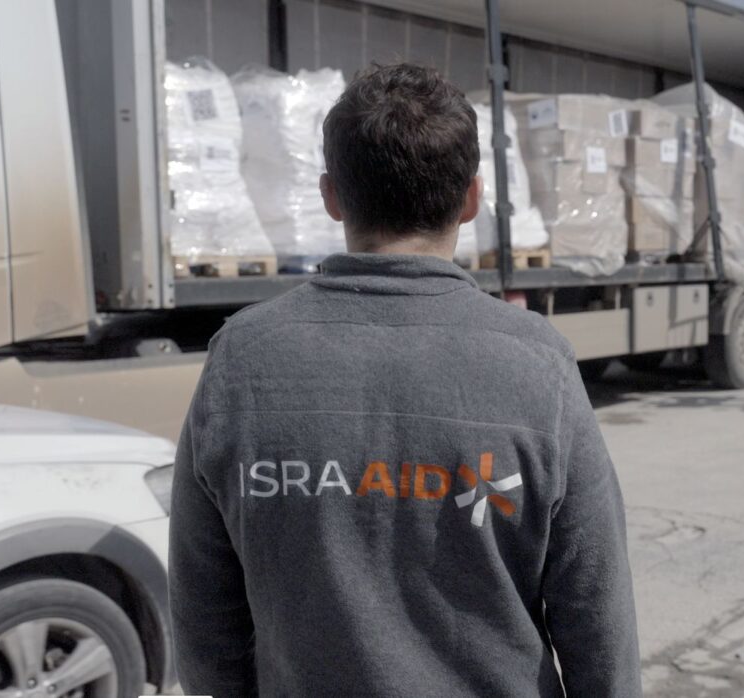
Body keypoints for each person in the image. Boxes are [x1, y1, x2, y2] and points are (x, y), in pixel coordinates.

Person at [170, 63, 641, 697]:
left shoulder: (241, 359)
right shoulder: (538, 365)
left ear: (331, 194)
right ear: (473, 199)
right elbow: (596, 617)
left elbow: (204, 614)